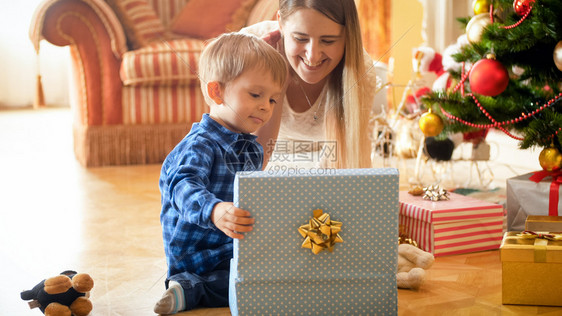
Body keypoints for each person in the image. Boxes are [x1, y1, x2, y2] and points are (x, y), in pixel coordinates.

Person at [154, 32, 287, 314]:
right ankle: (188, 290)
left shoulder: (251, 149)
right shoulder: (200, 145)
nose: (266, 106)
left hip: (233, 248)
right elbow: (182, 186)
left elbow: (252, 197)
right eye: (255, 94)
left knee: (284, 267)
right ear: (216, 92)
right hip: (198, 256)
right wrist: (214, 210)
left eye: (273, 100)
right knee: (245, 283)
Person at [243, 0, 380, 170]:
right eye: (300, 38)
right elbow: (248, 165)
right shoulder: (247, 49)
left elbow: (346, 162)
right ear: (280, 23)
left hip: (326, 162)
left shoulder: (361, 70)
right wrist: (272, 81)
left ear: (347, 35)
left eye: (328, 41)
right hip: (263, 162)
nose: (313, 56)